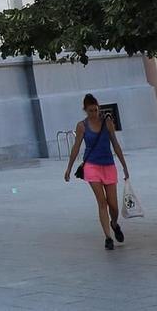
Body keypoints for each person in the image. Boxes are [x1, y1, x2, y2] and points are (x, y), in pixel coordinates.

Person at [64, 93, 130, 250]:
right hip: (91, 166)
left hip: (108, 165)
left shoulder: (107, 122)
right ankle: (108, 237)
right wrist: (69, 167)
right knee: (102, 203)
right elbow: (76, 147)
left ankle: (114, 223)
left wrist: (124, 165)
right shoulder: (82, 126)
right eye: (90, 111)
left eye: (95, 109)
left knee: (113, 205)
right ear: (85, 110)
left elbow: (115, 143)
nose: (94, 113)